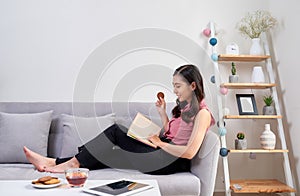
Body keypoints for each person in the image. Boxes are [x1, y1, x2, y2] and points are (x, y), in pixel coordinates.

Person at [24, 64, 215, 175]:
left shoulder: (203, 114)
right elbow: (171, 135)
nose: (174, 91)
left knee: (117, 130)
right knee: (111, 153)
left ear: (192, 85)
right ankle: (53, 161)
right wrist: (163, 115)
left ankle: (71, 164)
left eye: (178, 86)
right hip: (163, 152)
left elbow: (189, 153)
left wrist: (159, 143)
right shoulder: (185, 109)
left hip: (171, 161)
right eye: (173, 86)